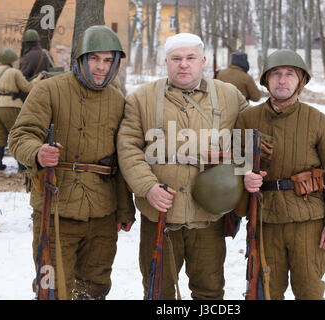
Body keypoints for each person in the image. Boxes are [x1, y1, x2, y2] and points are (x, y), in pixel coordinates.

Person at [117, 33, 248, 300]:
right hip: (159, 216)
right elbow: (128, 147)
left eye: (190, 58)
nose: (184, 64)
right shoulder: (141, 98)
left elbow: (252, 139)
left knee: (210, 292)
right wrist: (147, 187)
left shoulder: (230, 96)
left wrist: (233, 160)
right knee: (158, 292)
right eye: (176, 59)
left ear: (203, 61)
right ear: (166, 62)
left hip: (210, 218)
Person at [9, 25, 135, 300]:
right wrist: (38, 152)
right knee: (53, 287)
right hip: (56, 207)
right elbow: (20, 136)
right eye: (94, 58)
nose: (101, 67)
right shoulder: (48, 90)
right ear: (80, 58)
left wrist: (125, 210)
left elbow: (123, 160)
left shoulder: (118, 100)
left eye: (108, 60)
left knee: (95, 287)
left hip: (103, 212)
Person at [237, 49, 325, 300]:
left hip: (308, 221)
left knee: (309, 290)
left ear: (301, 81)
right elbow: (235, 165)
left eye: (290, 74)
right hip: (264, 220)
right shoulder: (246, 119)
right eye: (276, 74)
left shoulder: (320, 122)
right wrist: (244, 176)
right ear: (266, 80)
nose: (282, 80)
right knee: (267, 291)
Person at [0, 48, 40, 172]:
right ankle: (22, 165)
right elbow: (27, 87)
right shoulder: (15, 72)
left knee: (0, 136)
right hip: (10, 107)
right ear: (11, 61)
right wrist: (37, 79)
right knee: (16, 135)